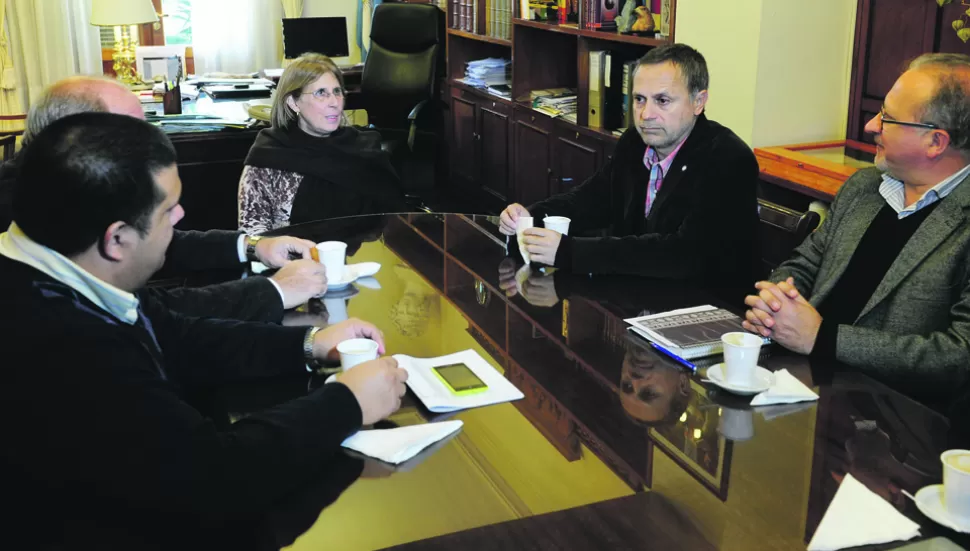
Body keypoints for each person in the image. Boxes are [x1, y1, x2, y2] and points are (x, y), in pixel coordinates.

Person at [0, 113, 408, 530]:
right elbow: (216, 478)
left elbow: (177, 335)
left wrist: (309, 344)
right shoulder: (57, 344)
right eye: (168, 210)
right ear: (117, 238)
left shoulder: (62, 265)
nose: (181, 217)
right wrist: (346, 402)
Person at [0, 75, 328, 321]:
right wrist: (274, 291)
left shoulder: (60, 182)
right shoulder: (27, 214)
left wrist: (255, 245)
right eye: (131, 133)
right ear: (76, 142)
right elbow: (151, 315)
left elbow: (160, 241)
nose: (147, 144)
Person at [743, 53, 970, 389]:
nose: (870, 125)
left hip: (901, 418)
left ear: (935, 142)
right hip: (800, 382)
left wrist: (823, 339)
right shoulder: (863, 187)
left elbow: (958, 355)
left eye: (888, 119)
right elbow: (806, 262)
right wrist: (776, 301)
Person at [498, 44, 760, 293]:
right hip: (639, 298)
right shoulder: (635, 142)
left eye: (663, 100)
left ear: (698, 101)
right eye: (639, 99)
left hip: (710, 313)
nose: (646, 114)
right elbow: (591, 200)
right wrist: (529, 216)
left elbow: (685, 255)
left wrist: (568, 252)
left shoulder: (728, 158)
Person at [238, 53, 405, 234]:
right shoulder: (268, 154)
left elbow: (394, 222)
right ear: (294, 102)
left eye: (337, 91)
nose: (334, 102)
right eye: (321, 93)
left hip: (361, 259)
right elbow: (252, 236)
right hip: (290, 260)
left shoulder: (364, 148)